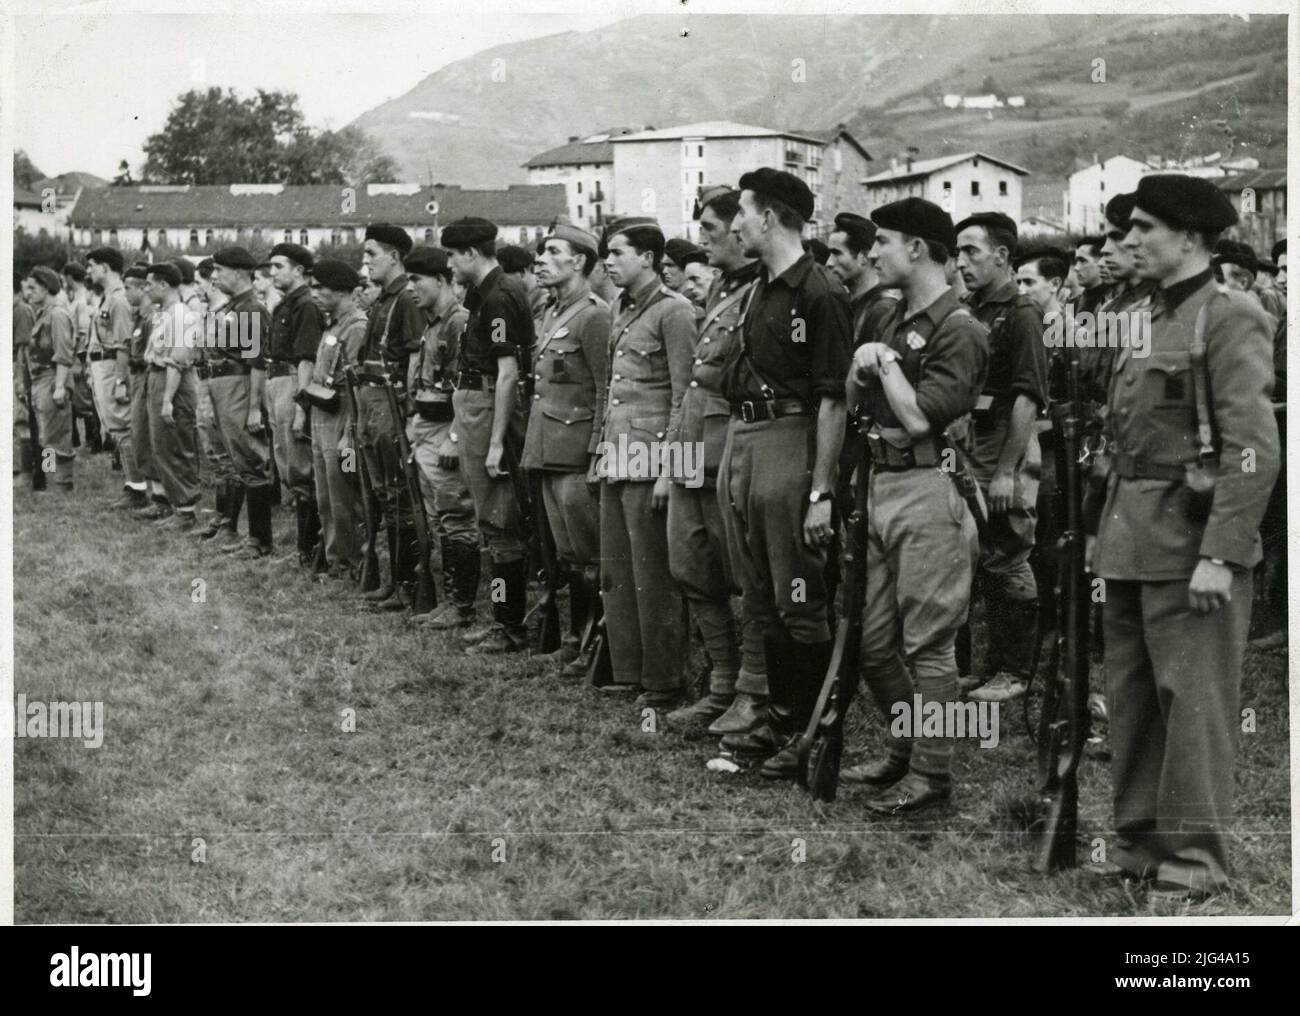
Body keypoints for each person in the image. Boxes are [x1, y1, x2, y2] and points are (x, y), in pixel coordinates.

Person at [1088, 174, 1279, 901]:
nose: (1127, 240)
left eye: (1143, 228)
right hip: (1130, 537)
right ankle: (1139, 845)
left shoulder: (1229, 315)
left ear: (1192, 239)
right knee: (1135, 702)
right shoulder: (1142, 315)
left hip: (1192, 544)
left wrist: (1222, 555)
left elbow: (1254, 447)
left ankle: (1194, 863)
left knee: (1193, 706)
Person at [841, 197, 988, 812]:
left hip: (931, 488)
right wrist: (862, 362)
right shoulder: (890, 317)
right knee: (874, 643)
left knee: (929, 645)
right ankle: (904, 747)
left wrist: (885, 365)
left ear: (919, 249)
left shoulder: (961, 328)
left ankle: (932, 775)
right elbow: (855, 401)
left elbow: (922, 417)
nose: (872, 252)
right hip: (881, 483)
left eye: (882, 241)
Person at [716, 168, 851, 776]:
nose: (736, 223)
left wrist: (821, 491)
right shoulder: (759, 289)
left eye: (742, 212)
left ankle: (810, 731)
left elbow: (833, 398)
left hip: (790, 446)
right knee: (763, 595)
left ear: (768, 216)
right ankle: (778, 716)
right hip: (745, 443)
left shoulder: (818, 292)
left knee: (799, 594)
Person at [665, 185, 764, 728]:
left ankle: (751, 687)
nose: (702, 239)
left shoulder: (760, 293)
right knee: (690, 567)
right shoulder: (723, 288)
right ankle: (721, 682)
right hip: (691, 448)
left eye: (710, 228)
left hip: (729, 448)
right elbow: (693, 379)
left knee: (745, 575)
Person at [592, 216, 696, 704]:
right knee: (618, 568)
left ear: (648, 258)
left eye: (617, 253)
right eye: (607, 254)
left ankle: (664, 680)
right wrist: (599, 451)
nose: (608, 263)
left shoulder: (675, 313)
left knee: (654, 574)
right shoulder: (620, 307)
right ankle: (630, 671)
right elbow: (610, 390)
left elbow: (685, 397)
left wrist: (672, 470)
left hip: (652, 458)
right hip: (618, 453)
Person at [953, 212, 1047, 704]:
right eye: (958, 252)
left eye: (972, 251)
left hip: (1006, 442)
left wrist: (1008, 470)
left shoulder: (1022, 312)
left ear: (1003, 256)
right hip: (973, 442)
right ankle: (993, 664)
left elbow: (1029, 397)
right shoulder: (973, 309)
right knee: (985, 556)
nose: (961, 261)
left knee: (1009, 552)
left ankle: (1017, 670)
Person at [444, 217, 537, 650]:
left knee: (499, 521)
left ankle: (509, 625)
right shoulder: (490, 294)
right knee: (492, 521)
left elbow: (506, 374)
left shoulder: (498, 297)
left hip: (487, 407)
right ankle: (505, 620)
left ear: (470, 254)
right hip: (478, 406)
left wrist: (497, 442)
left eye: (452, 255)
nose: (450, 264)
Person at [521, 224, 609, 668]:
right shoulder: (551, 313)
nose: (539, 259)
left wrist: (597, 454)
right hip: (549, 450)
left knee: (590, 556)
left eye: (552, 251)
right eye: (539, 252)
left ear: (579, 262)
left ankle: (593, 646)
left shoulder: (594, 316)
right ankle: (574, 641)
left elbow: (604, 390)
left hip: (577, 454)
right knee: (570, 556)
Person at [400, 246, 480, 629]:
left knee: (456, 516)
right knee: (439, 517)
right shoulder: (431, 323)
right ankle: (450, 600)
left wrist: (453, 435)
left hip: (447, 428)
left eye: (417, 279)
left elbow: (467, 385)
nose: (411, 287)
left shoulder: (457, 322)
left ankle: (461, 605)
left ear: (442, 280)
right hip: (425, 429)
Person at [355, 224, 426, 610]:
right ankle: (398, 581)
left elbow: (415, 357)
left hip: (391, 405)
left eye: (372, 255)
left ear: (395, 256)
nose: (365, 263)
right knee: (385, 493)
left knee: (400, 494)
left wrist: (411, 411)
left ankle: (409, 583)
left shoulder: (407, 299)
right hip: (371, 402)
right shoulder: (384, 299)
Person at [205, 246, 276, 559]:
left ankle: (259, 541)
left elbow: (257, 363)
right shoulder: (234, 307)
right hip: (225, 385)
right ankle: (244, 534)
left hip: (239, 386)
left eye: (219, 270)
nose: (215, 276)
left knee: (250, 461)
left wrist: (253, 408)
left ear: (237, 272)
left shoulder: (250, 309)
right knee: (238, 461)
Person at [304, 259, 367, 580]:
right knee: (326, 495)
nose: (314, 293)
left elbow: (356, 385)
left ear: (342, 290)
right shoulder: (333, 324)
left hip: (343, 418)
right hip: (322, 416)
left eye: (320, 288)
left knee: (344, 495)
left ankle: (352, 562)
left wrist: (350, 434)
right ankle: (334, 559)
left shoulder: (355, 326)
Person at [266, 242, 325, 567]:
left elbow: (306, 360)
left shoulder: (305, 305)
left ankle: (310, 550)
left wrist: (302, 406)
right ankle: (306, 548)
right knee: (288, 466)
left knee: (301, 469)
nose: (272, 272)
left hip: (293, 383)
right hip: (279, 382)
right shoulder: (286, 304)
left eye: (279, 266)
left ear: (299, 271)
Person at [142, 262, 203, 530]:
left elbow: (178, 360)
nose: (146, 289)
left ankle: (186, 510)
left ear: (163, 284)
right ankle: (176, 505)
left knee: (176, 444)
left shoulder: (180, 314)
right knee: (162, 445)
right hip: (159, 377)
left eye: (149, 283)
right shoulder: (164, 313)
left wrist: (167, 399)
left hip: (172, 382)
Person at [86, 247, 146, 508]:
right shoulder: (108, 298)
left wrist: (121, 381)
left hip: (113, 367)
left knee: (122, 427)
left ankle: (137, 488)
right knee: (115, 427)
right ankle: (132, 484)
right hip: (102, 366)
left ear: (105, 268)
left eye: (92, 265)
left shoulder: (118, 300)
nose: (89, 270)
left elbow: (123, 345)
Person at [24, 266, 77, 489]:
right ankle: (51, 480)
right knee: (46, 435)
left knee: (56, 435)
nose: (28, 293)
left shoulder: (57, 315)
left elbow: (63, 354)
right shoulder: (42, 313)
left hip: (52, 377)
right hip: (40, 379)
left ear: (46, 288)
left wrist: (59, 386)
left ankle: (61, 483)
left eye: (33, 288)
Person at [1072, 236, 1109, 317]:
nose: (1076, 268)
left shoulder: (1111, 302)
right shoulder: (1074, 303)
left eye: (1083, 261)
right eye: (1076, 261)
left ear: (1101, 262)